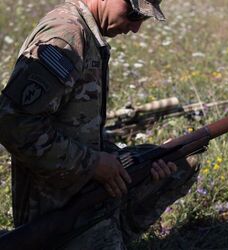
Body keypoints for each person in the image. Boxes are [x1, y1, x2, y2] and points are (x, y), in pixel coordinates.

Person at [0, 0, 199, 249]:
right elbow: (13, 123)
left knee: (179, 161)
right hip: (58, 210)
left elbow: (78, 127)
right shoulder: (66, 36)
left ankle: (113, 232)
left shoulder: (88, 34)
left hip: (86, 186)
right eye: (134, 14)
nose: (135, 28)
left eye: (143, 19)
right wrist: (93, 165)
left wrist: (126, 160)